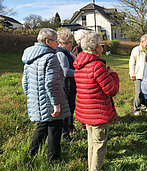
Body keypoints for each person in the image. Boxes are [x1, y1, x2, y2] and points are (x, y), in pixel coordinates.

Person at [22, 28, 71, 160]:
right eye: (56, 41)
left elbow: (24, 82)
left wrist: (31, 97)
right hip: (51, 101)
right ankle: (53, 158)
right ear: (48, 41)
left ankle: (32, 153)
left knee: (42, 125)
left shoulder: (29, 57)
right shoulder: (51, 57)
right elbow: (51, 83)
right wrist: (56, 105)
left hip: (38, 100)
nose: (57, 44)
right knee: (54, 129)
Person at [73, 31, 119, 171]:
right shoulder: (97, 66)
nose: (103, 48)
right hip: (98, 113)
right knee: (99, 145)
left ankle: (92, 167)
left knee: (92, 143)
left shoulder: (80, 64)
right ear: (96, 47)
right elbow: (112, 90)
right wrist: (114, 75)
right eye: (101, 45)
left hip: (86, 111)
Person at [56, 28, 76, 142]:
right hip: (66, 86)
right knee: (67, 109)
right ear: (62, 42)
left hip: (70, 85)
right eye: (70, 43)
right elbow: (66, 71)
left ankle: (70, 127)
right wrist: (80, 73)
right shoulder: (61, 53)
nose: (71, 45)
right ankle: (65, 134)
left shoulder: (67, 51)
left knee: (71, 108)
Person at [129, 34, 147, 116]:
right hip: (139, 75)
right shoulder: (136, 50)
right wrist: (132, 74)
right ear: (142, 41)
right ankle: (136, 109)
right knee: (138, 93)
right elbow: (132, 63)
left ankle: (145, 107)